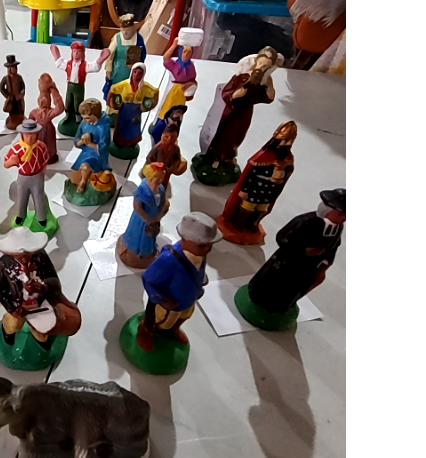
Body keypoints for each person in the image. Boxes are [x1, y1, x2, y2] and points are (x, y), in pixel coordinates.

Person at [242, 189, 345, 318]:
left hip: (308, 267)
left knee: (293, 288)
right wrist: (303, 250)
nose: (344, 218)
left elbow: (334, 245)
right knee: (273, 284)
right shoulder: (306, 221)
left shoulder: (338, 228)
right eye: (340, 214)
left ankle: (281, 306)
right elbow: (282, 237)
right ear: (328, 211)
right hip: (288, 262)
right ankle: (260, 300)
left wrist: (327, 262)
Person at [139, 212, 221, 350]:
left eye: (210, 244)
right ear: (186, 239)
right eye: (202, 245)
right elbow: (148, 279)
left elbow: (196, 268)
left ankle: (173, 330)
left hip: (189, 299)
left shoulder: (199, 254)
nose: (208, 249)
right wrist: (162, 299)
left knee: (183, 317)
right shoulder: (168, 260)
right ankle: (145, 333)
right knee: (157, 322)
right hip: (169, 304)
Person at [0, 227, 81, 349]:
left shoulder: (40, 258)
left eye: (28, 254)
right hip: (19, 305)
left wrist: (42, 287)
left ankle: (41, 339)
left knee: (42, 327)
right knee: (13, 325)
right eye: (20, 256)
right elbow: (0, 289)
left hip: (40, 302)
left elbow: (53, 279)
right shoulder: (4, 264)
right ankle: (7, 332)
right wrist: (12, 308)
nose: (24, 259)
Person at [199, 47, 280, 169]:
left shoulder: (265, 80)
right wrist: (241, 90)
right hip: (232, 109)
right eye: (260, 64)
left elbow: (269, 97)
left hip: (245, 111)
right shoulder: (242, 77)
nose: (260, 68)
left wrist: (269, 86)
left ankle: (228, 156)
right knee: (224, 133)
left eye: (265, 67)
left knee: (237, 135)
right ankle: (216, 156)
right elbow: (228, 92)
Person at [217, 121, 297, 242]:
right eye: (286, 140)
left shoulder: (287, 158)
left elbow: (287, 172)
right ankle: (238, 222)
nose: (288, 144)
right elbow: (250, 174)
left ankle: (252, 223)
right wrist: (244, 190)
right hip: (254, 189)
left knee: (261, 209)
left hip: (269, 191)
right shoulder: (264, 156)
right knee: (246, 207)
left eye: (291, 141)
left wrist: (285, 169)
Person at [49, 41, 110, 136]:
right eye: (74, 51)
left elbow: (94, 67)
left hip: (79, 87)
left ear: (82, 53)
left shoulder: (84, 65)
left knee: (78, 102)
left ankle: (78, 119)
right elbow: (59, 64)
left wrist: (101, 59)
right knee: (68, 101)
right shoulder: (68, 64)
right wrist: (55, 54)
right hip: (70, 86)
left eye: (78, 52)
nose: (76, 54)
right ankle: (68, 116)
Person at [117, 163, 169, 268]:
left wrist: (158, 216)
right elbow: (137, 207)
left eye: (162, 177)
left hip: (154, 218)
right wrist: (148, 219)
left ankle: (148, 251)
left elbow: (163, 203)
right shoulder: (142, 190)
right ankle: (135, 251)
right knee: (138, 235)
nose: (161, 180)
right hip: (141, 220)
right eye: (159, 177)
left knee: (149, 237)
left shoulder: (161, 189)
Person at [4, 118, 50, 228]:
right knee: (22, 197)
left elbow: (45, 160)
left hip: (37, 176)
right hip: (23, 177)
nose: (30, 138)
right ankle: (21, 215)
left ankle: (41, 217)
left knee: (38, 197)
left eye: (33, 135)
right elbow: (5, 164)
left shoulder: (41, 147)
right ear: (22, 134)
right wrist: (11, 161)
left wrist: (42, 173)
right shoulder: (16, 148)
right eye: (27, 135)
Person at [107, 62, 158, 157]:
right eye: (135, 72)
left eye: (140, 73)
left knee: (134, 128)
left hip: (136, 110)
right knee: (122, 126)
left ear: (143, 74)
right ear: (131, 72)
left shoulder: (145, 87)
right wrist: (109, 102)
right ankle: (119, 142)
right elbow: (113, 89)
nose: (137, 75)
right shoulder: (124, 84)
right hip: (124, 109)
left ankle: (131, 143)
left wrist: (150, 106)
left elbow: (155, 92)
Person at [68, 98, 112, 194]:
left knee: (85, 165)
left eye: (87, 118)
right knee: (74, 177)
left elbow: (104, 147)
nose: (84, 120)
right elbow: (76, 140)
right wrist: (82, 141)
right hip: (86, 152)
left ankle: (83, 182)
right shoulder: (84, 123)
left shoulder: (103, 127)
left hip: (97, 154)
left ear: (95, 115)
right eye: (83, 118)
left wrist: (90, 144)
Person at [104, 14, 146, 101]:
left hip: (131, 71)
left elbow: (142, 55)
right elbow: (110, 54)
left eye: (127, 30)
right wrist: (108, 69)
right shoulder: (117, 37)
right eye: (123, 30)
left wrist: (137, 66)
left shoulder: (138, 39)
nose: (125, 33)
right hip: (117, 69)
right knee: (115, 89)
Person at [158, 36, 198, 118]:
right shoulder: (174, 65)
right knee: (167, 109)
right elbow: (165, 58)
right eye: (184, 52)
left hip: (181, 92)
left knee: (178, 112)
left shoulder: (191, 67)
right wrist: (174, 45)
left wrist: (189, 85)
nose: (186, 54)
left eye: (189, 52)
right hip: (172, 89)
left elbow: (193, 80)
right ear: (180, 52)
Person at [28, 73, 64, 164]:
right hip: (38, 132)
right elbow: (29, 122)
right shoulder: (35, 112)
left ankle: (49, 155)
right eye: (41, 99)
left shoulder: (49, 112)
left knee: (49, 146)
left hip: (48, 131)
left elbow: (60, 108)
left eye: (45, 99)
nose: (42, 102)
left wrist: (54, 90)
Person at [144, 123, 188, 188]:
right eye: (166, 136)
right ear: (162, 135)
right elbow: (149, 157)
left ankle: (162, 191)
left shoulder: (176, 148)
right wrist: (154, 165)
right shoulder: (158, 147)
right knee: (154, 183)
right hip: (157, 171)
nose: (169, 139)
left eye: (172, 137)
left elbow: (178, 159)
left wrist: (172, 167)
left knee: (164, 183)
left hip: (167, 171)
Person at [0, 54, 26, 131]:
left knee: (20, 109)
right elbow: (1, 87)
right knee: (12, 110)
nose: (13, 70)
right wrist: (7, 95)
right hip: (11, 98)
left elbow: (23, 86)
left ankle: (20, 118)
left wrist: (21, 94)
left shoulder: (19, 77)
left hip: (18, 97)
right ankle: (12, 119)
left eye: (14, 67)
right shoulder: (6, 78)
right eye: (11, 68)